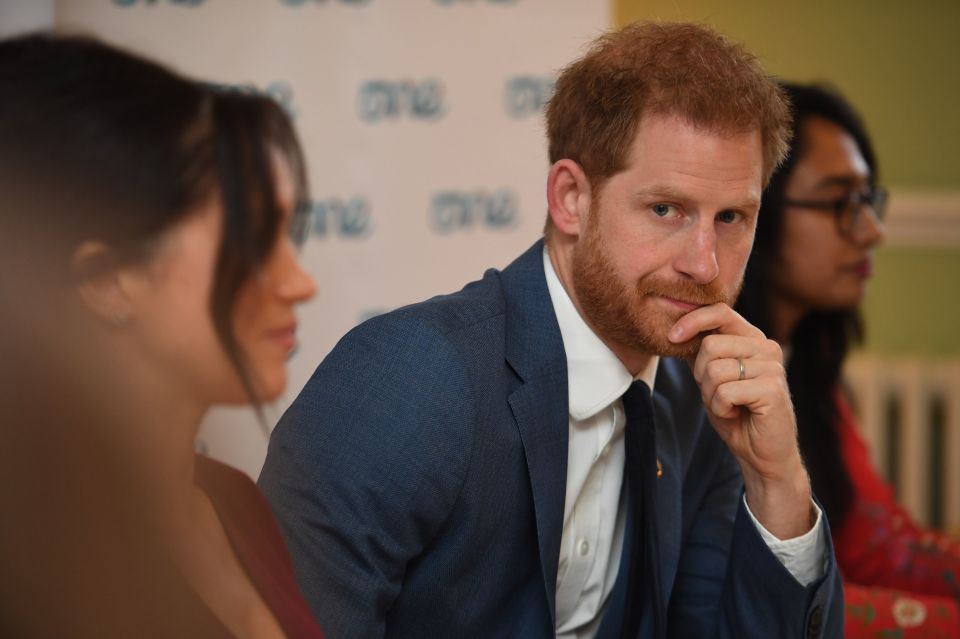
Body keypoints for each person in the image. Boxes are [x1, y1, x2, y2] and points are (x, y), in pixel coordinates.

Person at [259, 22, 842, 638]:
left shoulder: (701, 406)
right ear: (570, 198)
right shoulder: (411, 380)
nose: (705, 263)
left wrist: (778, 480)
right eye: (665, 209)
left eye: (731, 217)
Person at [0, 34, 323, 638]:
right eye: (252, 240)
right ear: (107, 280)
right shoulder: (33, 578)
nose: (299, 282)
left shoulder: (237, 506)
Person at [735, 82, 960, 637]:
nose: (872, 231)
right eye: (840, 202)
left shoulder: (810, 372)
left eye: (868, 200)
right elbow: (766, 605)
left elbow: (882, 548)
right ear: (755, 212)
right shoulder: (715, 381)